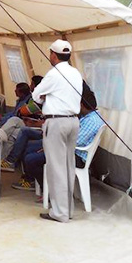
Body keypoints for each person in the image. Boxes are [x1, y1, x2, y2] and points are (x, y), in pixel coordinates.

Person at [19, 83, 104, 195]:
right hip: (67, 150)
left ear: (82, 105)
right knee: (29, 149)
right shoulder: (88, 117)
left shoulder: (92, 120)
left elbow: (75, 141)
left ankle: (50, 192)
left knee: (31, 159)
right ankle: (39, 184)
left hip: (74, 156)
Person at [31, 39, 83, 223]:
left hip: (56, 122)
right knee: (68, 166)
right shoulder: (76, 73)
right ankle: (67, 210)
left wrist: (47, 96)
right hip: (73, 121)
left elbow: (36, 94)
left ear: (53, 54)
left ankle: (59, 212)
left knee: (56, 168)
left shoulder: (53, 74)